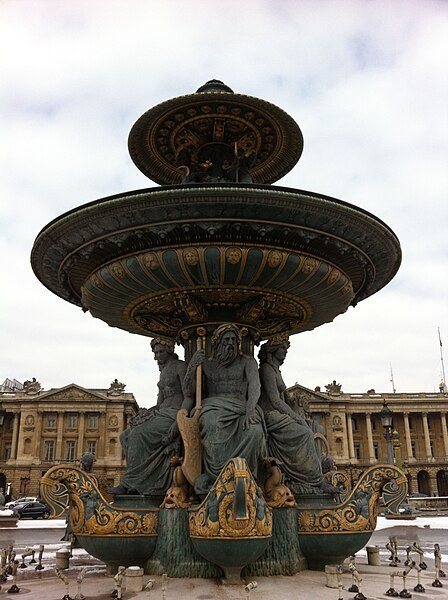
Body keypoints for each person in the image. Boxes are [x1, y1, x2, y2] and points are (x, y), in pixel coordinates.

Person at [183, 324, 266, 496]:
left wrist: (251, 408)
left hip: (242, 407)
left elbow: (255, 385)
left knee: (255, 431)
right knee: (211, 424)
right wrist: (192, 367)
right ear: (218, 343)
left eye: (234, 340)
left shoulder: (248, 362)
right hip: (214, 407)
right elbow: (188, 391)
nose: (231, 343)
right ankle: (216, 478)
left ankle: (245, 478)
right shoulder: (206, 364)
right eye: (226, 340)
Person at [258, 334, 338, 497]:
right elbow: (274, 400)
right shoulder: (266, 369)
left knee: (310, 429)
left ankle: (312, 472)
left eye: (286, 349)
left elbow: (283, 398)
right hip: (270, 415)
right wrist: (297, 418)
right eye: (283, 348)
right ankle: (315, 480)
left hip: (278, 413)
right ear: (274, 350)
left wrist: (297, 414)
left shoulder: (275, 370)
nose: (286, 352)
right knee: (304, 433)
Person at [108, 337, 186, 496]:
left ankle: (131, 483)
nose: (157, 356)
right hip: (162, 412)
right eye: (156, 353)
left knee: (138, 434)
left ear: (170, 350)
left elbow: (189, 396)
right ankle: (138, 481)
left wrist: (179, 421)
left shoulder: (180, 367)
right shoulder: (163, 372)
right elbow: (159, 403)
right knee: (125, 436)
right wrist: (146, 413)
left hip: (174, 413)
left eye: (161, 352)